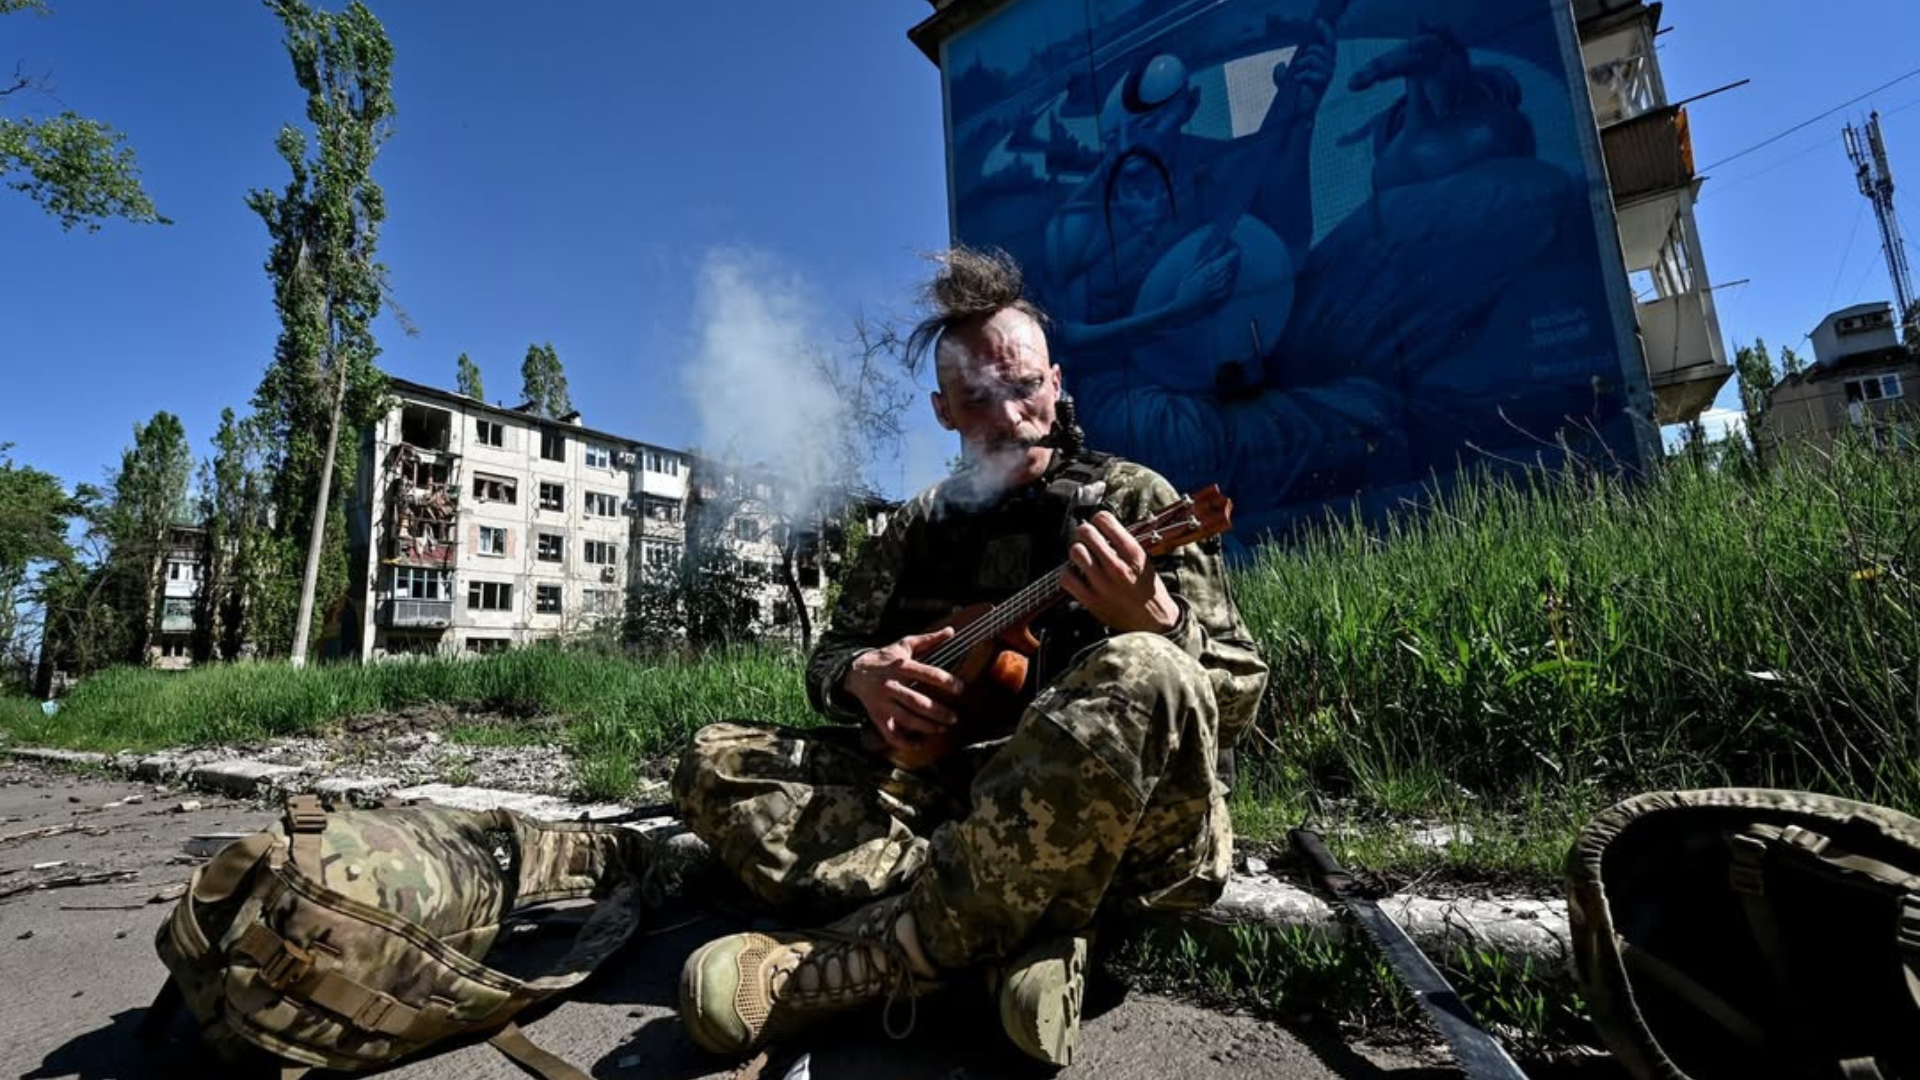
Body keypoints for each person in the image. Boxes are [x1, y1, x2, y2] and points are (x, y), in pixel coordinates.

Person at [671, 246, 1270, 1067]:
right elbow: (830, 660)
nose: (1009, 416)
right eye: (978, 398)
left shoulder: (1134, 501)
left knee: (1150, 673)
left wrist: (1158, 621)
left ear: (1056, 383)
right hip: (939, 798)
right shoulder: (917, 527)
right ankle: (1009, 931)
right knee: (715, 759)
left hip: (1111, 823)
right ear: (943, 410)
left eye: (1024, 388)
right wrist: (860, 679)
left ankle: (893, 954)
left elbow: (1234, 700)